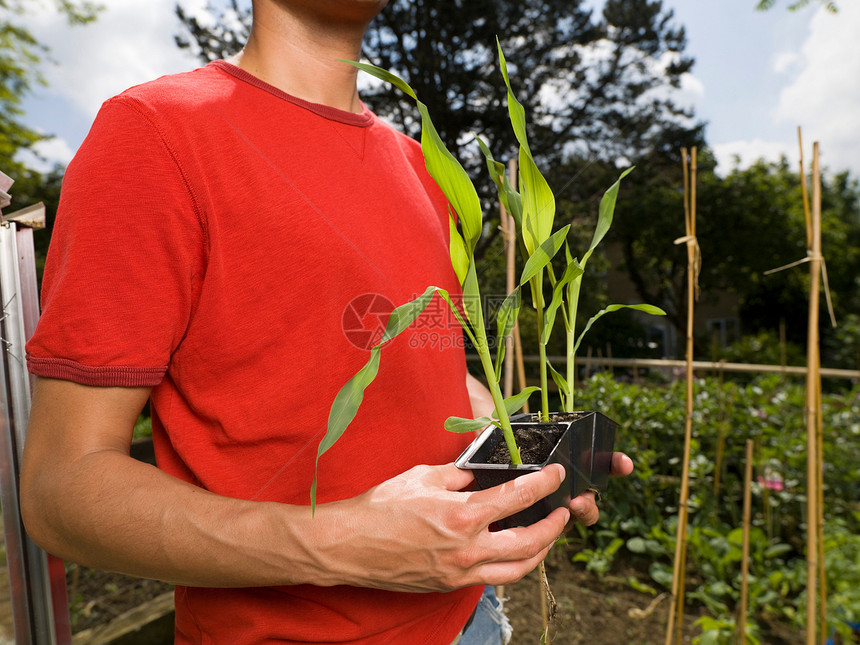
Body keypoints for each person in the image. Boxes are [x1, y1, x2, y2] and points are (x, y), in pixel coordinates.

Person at [20, 1, 634, 643]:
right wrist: (340, 543)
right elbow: (60, 490)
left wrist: (525, 449)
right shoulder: (155, 134)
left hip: (471, 618)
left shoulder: (422, 170)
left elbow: (437, 380)